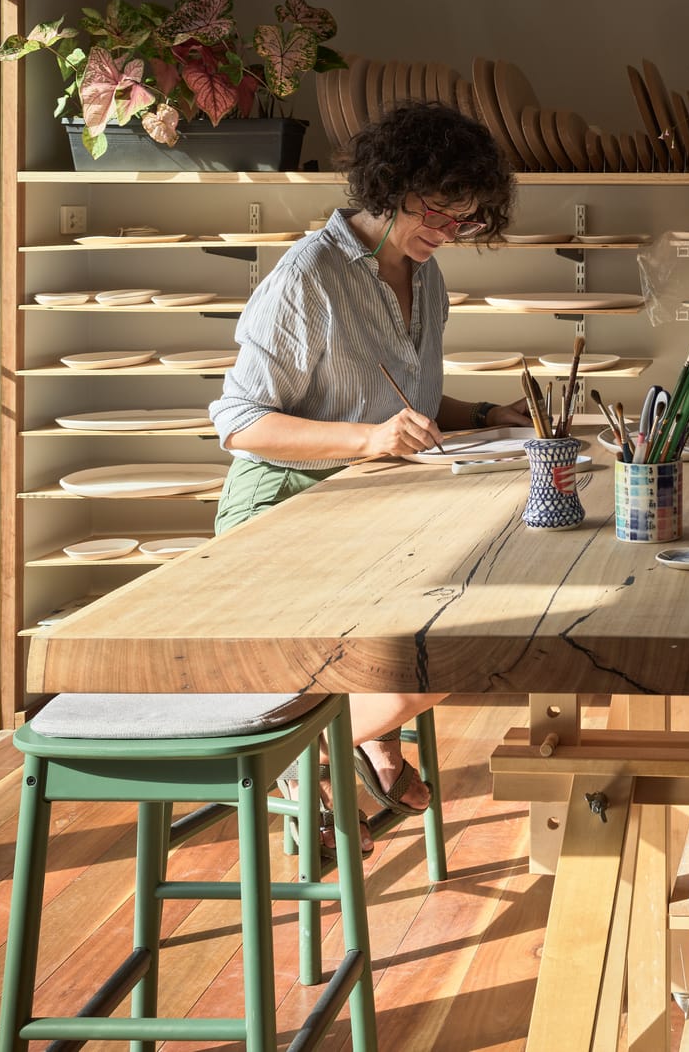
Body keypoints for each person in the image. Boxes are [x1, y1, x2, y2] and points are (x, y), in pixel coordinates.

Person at [210, 100, 531, 834]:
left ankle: (339, 746)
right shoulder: (309, 276)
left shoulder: (425, 274)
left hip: (372, 511)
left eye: (466, 221)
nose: (448, 234)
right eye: (437, 213)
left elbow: (406, 401)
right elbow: (239, 422)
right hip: (286, 514)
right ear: (389, 187)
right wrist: (366, 442)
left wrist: (484, 416)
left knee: (470, 625)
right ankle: (317, 751)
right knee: (453, 643)